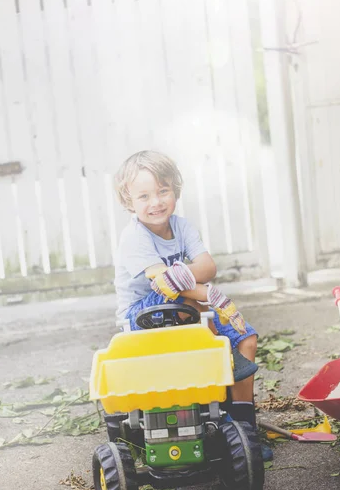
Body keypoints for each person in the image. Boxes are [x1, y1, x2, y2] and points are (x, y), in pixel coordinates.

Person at [113, 150, 264, 437]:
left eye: (163, 191)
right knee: (188, 303)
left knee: (246, 339)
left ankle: (244, 427)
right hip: (140, 315)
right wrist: (211, 294)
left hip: (188, 303)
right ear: (129, 201)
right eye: (144, 196)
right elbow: (163, 285)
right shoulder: (134, 237)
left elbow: (208, 266)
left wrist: (199, 285)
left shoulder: (182, 227)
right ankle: (215, 409)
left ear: (175, 190)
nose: (156, 202)